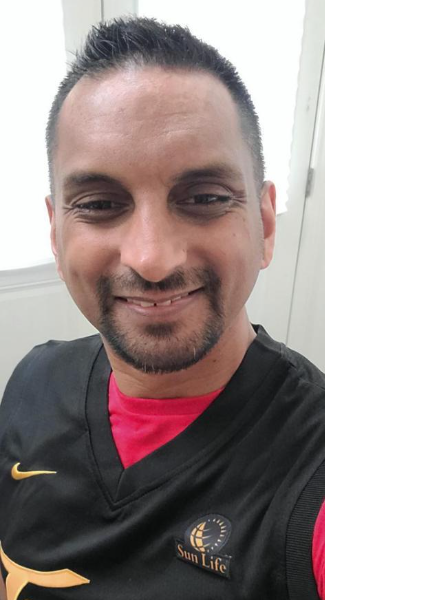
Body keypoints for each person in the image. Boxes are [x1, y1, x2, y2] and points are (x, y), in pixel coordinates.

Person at [0, 17, 324, 600]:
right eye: (100, 205)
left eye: (204, 198)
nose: (151, 259)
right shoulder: (31, 383)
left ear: (265, 225)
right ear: (55, 232)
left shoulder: (309, 471)